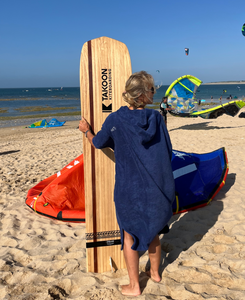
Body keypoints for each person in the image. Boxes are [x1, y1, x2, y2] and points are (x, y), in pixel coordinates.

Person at [79, 71, 175, 297]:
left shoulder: (116, 119)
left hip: (129, 188)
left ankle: (134, 286)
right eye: (151, 89)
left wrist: (87, 132)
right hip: (156, 187)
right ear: (143, 95)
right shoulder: (157, 118)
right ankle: (155, 273)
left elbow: (100, 143)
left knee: (129, 233)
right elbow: (167, 151)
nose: (154, 92)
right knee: (153, 232)